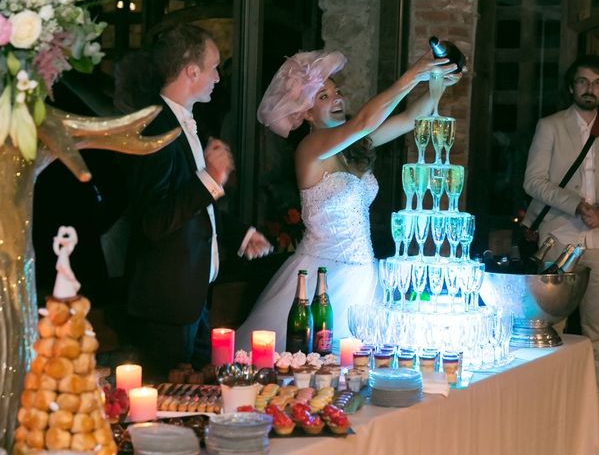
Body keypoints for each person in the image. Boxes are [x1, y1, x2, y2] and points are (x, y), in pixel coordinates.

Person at [236, 49, 462, 352]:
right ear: (306, 113)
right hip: (322, 282)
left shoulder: (351, 148)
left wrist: (440, 81)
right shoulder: (310, 147)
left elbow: (410, 117)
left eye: (337, 92)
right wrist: (412, 75)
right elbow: (365, 123)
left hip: (365, 279)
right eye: (323, 97)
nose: (337, 99)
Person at [122, 24, 273, 377]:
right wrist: (209, 179)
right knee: (165, 407)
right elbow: (154, 220)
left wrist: (240, 234)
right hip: (164, 306)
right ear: (192, 71)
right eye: (213, 67)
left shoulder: (187, 123)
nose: (218, 77)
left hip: (192, 300)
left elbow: (193, 208)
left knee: (202, 398)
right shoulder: (154, 126)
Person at [523, 55, 599, 404]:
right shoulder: (550, 126)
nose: (590, 89)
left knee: (598, 330)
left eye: (598, 82)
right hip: (561, 237)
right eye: (583, 81)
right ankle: (548, 398)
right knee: (552, 326)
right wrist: (574, 205)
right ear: (572, 86)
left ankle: (595, 400)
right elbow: (534, 180)